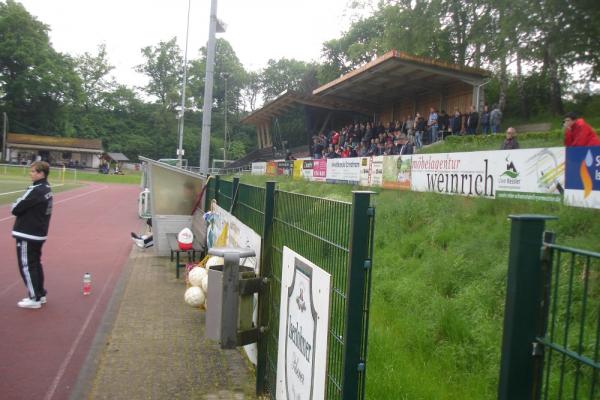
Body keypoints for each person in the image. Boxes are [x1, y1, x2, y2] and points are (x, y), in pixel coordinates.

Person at [11, 161, 53, 309]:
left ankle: (34, 297)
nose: (31, 173)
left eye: (33, 171)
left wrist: (15, 204)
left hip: (27, 233)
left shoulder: (36, 189)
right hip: (38, 233)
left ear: (41, 173)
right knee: (35, 265)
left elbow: (16, 208)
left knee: (27, 266)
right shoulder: (47, 188)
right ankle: (40, 294)